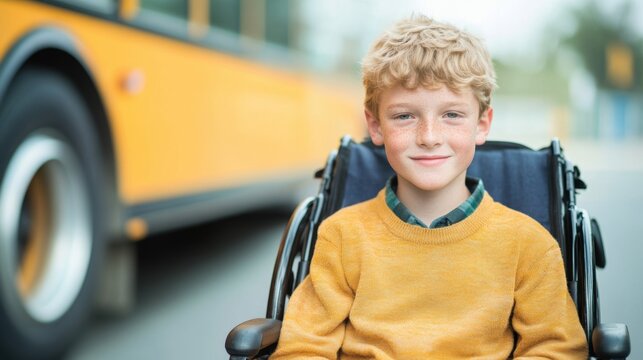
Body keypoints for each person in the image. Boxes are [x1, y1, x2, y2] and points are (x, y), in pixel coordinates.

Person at [271, 15, 588, 359]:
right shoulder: (342, 236)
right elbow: (302, 348)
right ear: (375, 126)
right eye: (405, 116)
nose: (429, 137)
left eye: (451, 115)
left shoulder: (529, 244)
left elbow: (555, 349)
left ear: (482, 125)